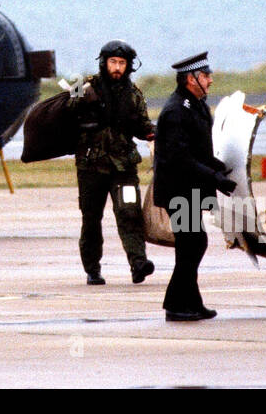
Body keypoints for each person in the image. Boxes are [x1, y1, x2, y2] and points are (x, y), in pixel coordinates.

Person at [152, 52, 237, 321]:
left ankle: (190, 302)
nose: (210, 80)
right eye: (206, 76)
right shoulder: (176, 111)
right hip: (179, 190)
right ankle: (176, 305)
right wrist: (215, 178)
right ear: (191, 79)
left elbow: (198, 151)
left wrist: (219, 167)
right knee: (192, 244)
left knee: (192, 244)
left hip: (190, 189)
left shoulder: (196, 105)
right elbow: (180, 158)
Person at [70, 40, 156, 286]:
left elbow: (142, 125)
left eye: (121, 63)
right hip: (90, 167)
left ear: (128, 66)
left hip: (124, 167)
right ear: (104, 63)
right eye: (113, 62)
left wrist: (153, 132)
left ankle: (138, 263)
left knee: (129, 213)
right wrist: (84, 98)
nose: (117, 67)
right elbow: (67, 108)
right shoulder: (83, 84)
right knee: (91, 218)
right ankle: (92, 269)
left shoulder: (134, 94)